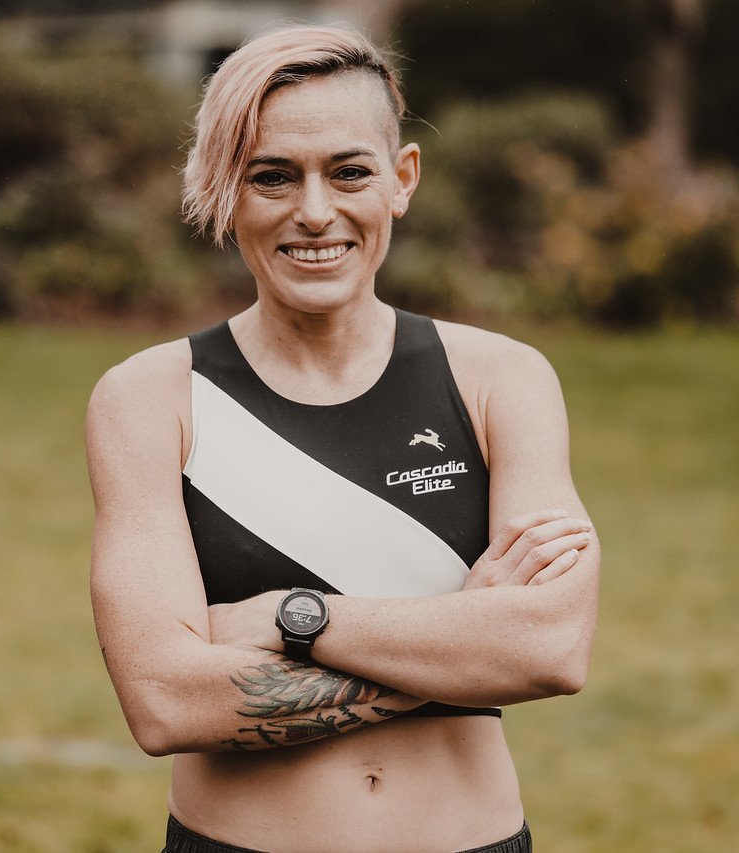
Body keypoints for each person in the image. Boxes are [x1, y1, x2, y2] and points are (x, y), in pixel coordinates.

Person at [87, 23, 600, 853]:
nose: (315, 211)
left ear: (402, 179)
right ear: (226, 189)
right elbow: (166, 701)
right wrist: (462, 638)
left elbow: (550, 647)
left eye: (349, 171)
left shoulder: (501, 379)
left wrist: (294, 618)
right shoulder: (150, 399)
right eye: (272, 176)